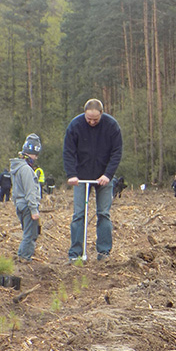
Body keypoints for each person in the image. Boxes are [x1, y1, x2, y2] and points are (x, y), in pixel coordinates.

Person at [63, 98, 123, 262]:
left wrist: (108, 175)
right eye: (89, 118)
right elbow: (68, 151)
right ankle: (75, 253)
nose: (91, 122)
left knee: (103, 214)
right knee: (78, 214)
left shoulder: (112, 126)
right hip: (81, 177)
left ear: (101, 115)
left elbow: (116, 152)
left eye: (95, 119)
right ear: (84, 114)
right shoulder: (75, 126)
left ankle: (104, 252)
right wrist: (71, 174)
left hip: (103, 176)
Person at [11, 134, 42, 263]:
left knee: (27, 233)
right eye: (35, 154)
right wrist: (34, 210)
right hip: (28, 206)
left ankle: (22, 257)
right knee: (30, 235)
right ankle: (24, 259)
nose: (36, 157)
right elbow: (30, 191)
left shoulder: (17, 168)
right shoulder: (26, 170)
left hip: (20, 204)